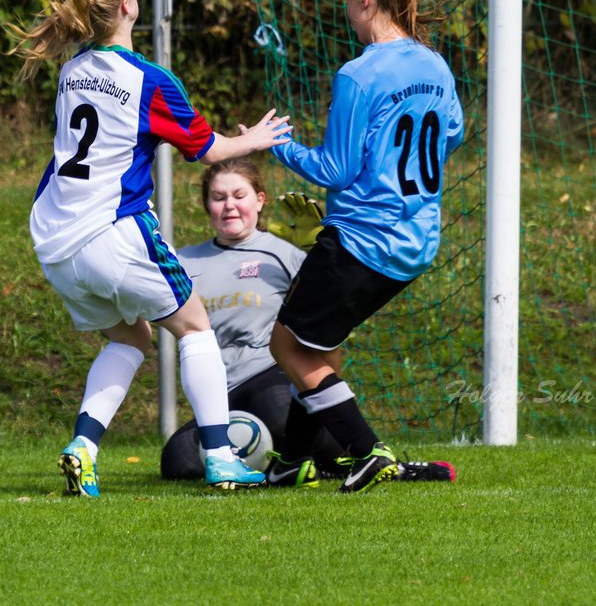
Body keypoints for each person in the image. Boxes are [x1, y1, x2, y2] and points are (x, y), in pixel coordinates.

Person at [8, 0, 292, 498]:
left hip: (56, 241)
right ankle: (220, 457)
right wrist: (254, 138)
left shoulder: (73, 71)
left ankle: (83, 448)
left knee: (131, 336)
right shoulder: (149, 81)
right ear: (128, 6)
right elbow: (207, 150)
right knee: (195, 326)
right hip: (112, 231)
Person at [265, 0, 464, 494]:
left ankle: (367, 451)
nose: (348, 10)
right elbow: (452, 134)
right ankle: (291, 461)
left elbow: (335, 168)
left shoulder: (359, 73)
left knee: (285, 345)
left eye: (348, 1)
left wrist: (278, 145)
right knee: (318, 347)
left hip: (361, 239)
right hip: (416, 239)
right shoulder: (434, 64)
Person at [159, 158, 455, 485]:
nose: (229, 205)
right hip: (218, 390)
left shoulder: (284, 253)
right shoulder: (183, 261)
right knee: (178, 460)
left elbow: (323, 325)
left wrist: (314, 257)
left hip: (269, 374)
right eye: (218, 197)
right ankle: (288, 466)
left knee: (279, 416)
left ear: (260, 200)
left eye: (239, 195)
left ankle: (383, 464)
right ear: (207, 205)